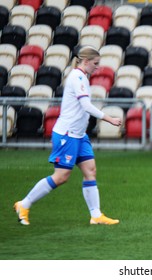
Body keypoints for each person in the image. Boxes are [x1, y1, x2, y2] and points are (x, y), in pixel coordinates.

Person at [14, 46, 122, 226]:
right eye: (95, 64)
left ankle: (96, 215)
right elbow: (86, 105)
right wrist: (109, 118)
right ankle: (23, 204)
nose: (97, 67)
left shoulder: (82, 77)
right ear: (85, 61)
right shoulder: (77, 77)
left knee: (90, 171)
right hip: (67, 134)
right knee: (61, 176)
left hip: (78, 135)